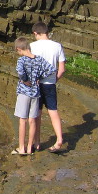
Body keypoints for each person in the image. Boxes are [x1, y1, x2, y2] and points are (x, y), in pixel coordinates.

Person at [12, 37, 57, 155]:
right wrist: (39, 78)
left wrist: (25, 80)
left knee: (23, 120)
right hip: (35, 92)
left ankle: (21, 148)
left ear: (19, 49)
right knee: (32, 120)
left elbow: (20, 72)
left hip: (24, 91)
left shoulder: (22, 60)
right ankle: (29, 148)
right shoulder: (39, 59)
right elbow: (52, 69)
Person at [30, 21, 66, 153]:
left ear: (36, 33)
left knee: (37, 113)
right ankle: (59, 139)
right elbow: (61, 69)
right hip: (50, 84)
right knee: (53, 111)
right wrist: (54, 80)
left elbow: (31, 67)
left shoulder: (32, 46)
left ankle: (37, 142)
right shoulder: (57, 46)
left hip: (37, 84)